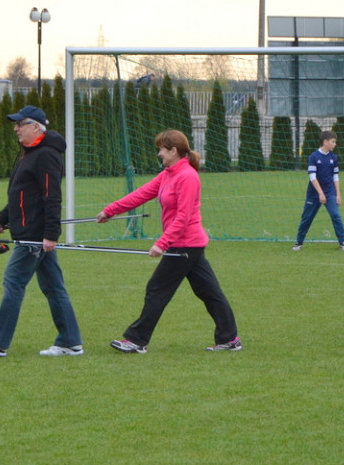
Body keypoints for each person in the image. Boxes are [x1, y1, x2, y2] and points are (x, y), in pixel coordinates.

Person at [98, 129, 241, 353]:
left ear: (173, 151)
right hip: (187, 245)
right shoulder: (168, 174)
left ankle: (137, 340)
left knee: (157, 289)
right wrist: (111, 211)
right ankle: (230, 338)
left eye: (162, 149)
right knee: (209, 292)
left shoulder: (187, 177)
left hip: (185, 245)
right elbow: (141, 194)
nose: (159, 154)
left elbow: (183, 217)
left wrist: (162, 243)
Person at [0, 105, 83, 357]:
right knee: (53, 287)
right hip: (31, 232)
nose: (16, 128)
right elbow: (22, 194)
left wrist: (51, 234)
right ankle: (70, 342)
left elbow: (51, 197)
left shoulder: (46, 155)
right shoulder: (28, 154)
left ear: (36, 127)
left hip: (34, 235)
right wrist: (3, 218)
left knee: (13, 283)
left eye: (20, 124)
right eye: (15, 124)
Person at [291, 130, 344, 252]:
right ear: (325, 142)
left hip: (329, 192)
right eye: (333, 142)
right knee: (307, 218)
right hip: (314, 193)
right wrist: (320, 193)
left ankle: (342, 243)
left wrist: (338, 194)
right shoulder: (313, 157)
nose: (335, 144)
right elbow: (312, 176)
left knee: (335, 215)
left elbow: (335, 176)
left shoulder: (334, 157)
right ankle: (298, 243)